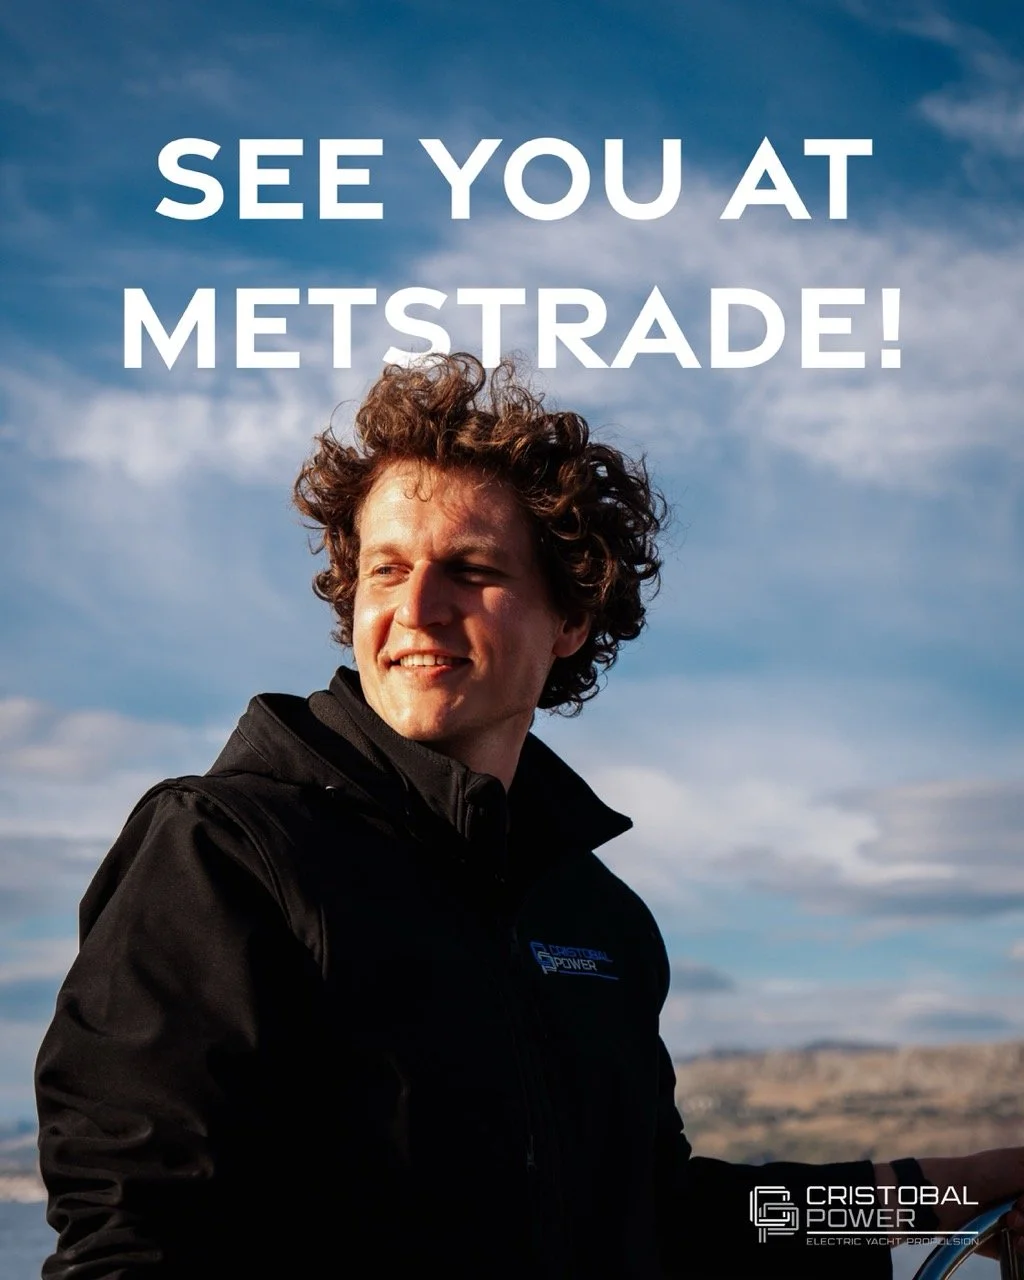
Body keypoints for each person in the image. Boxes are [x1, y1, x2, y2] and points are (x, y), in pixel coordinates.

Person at [36, 354, 1024, 1278]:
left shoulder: (597, 916)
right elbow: (133, 1237)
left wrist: (938, 1195)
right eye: (386, 568)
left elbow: (663, 1216)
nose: (417, 608)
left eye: (471, 567)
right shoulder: (225, 850)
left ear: (570, 616)